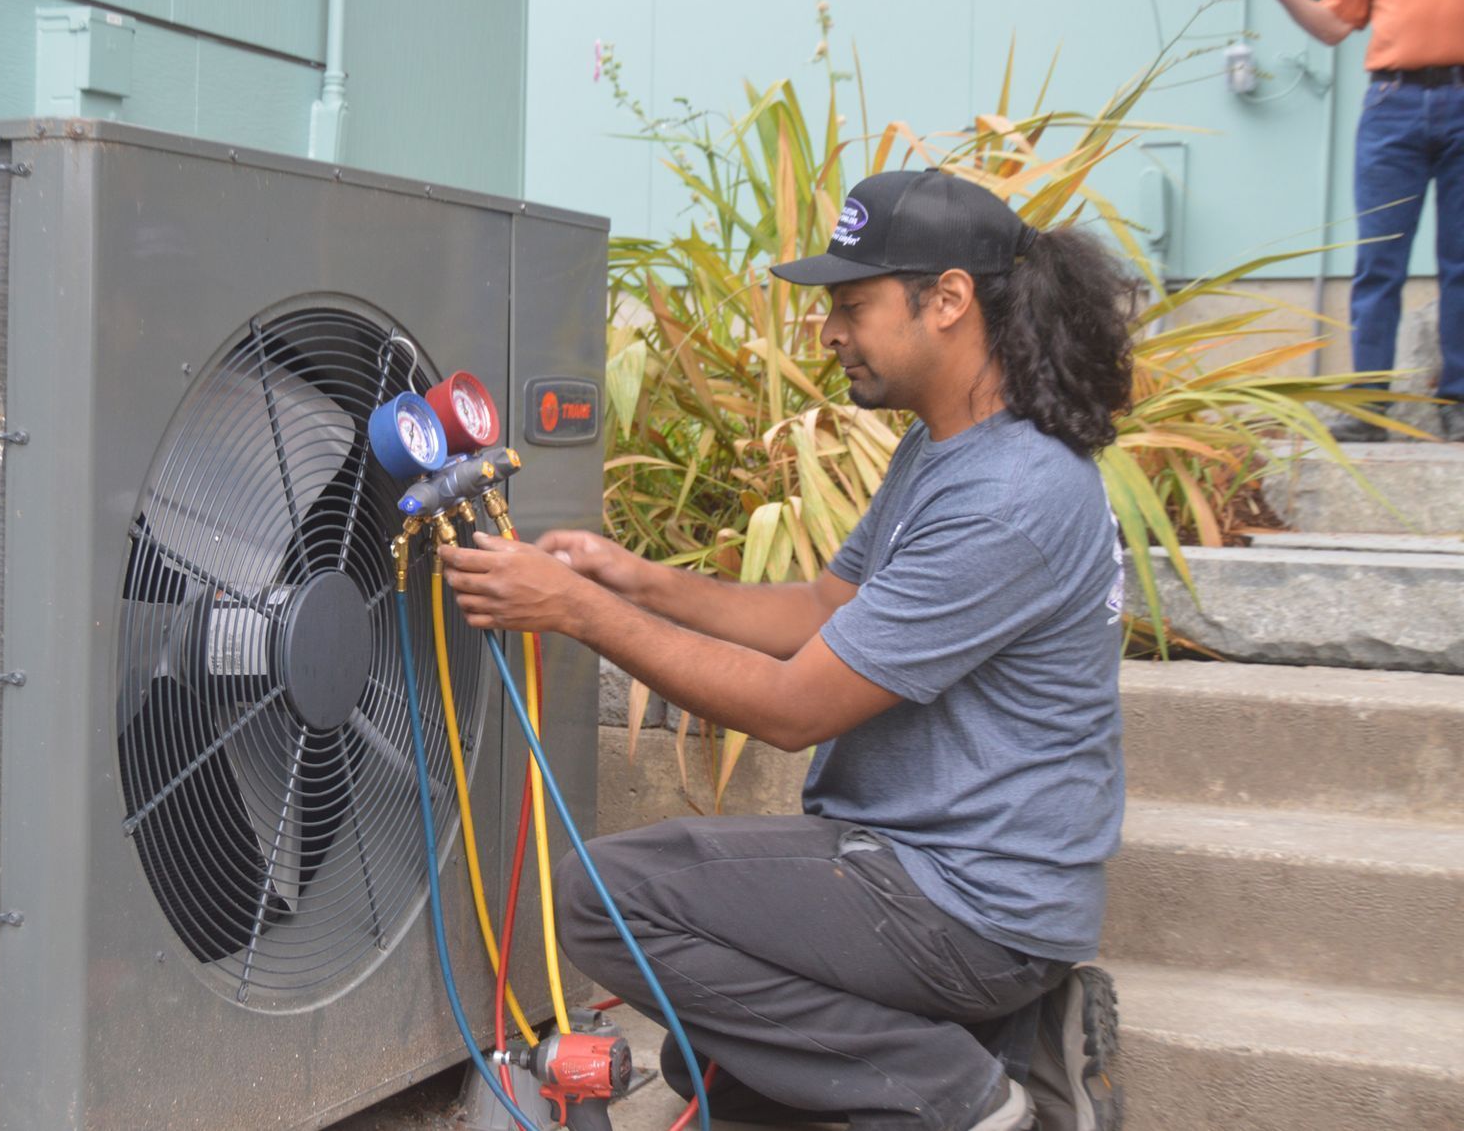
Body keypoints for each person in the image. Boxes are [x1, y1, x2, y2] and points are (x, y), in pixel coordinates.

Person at [444, 169, 1132, 1131]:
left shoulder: (1011, 496)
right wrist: (634, 579)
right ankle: (1011, 1036)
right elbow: (823, 607)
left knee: (600, 898)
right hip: (917, 864)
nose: (830, 331)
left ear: (947, 300)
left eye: (852, 304)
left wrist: (577, 613)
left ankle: (966, 1095)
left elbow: (793, 708)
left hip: (967, 900)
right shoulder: (946, 449)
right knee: (717, 1066)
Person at [1233, 0, 1464, 442]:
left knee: (1462, 262)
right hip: (1393, 105)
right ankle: (1369, 408)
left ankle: (1457, 401)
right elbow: (1335, 25)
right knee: (1378, 262)